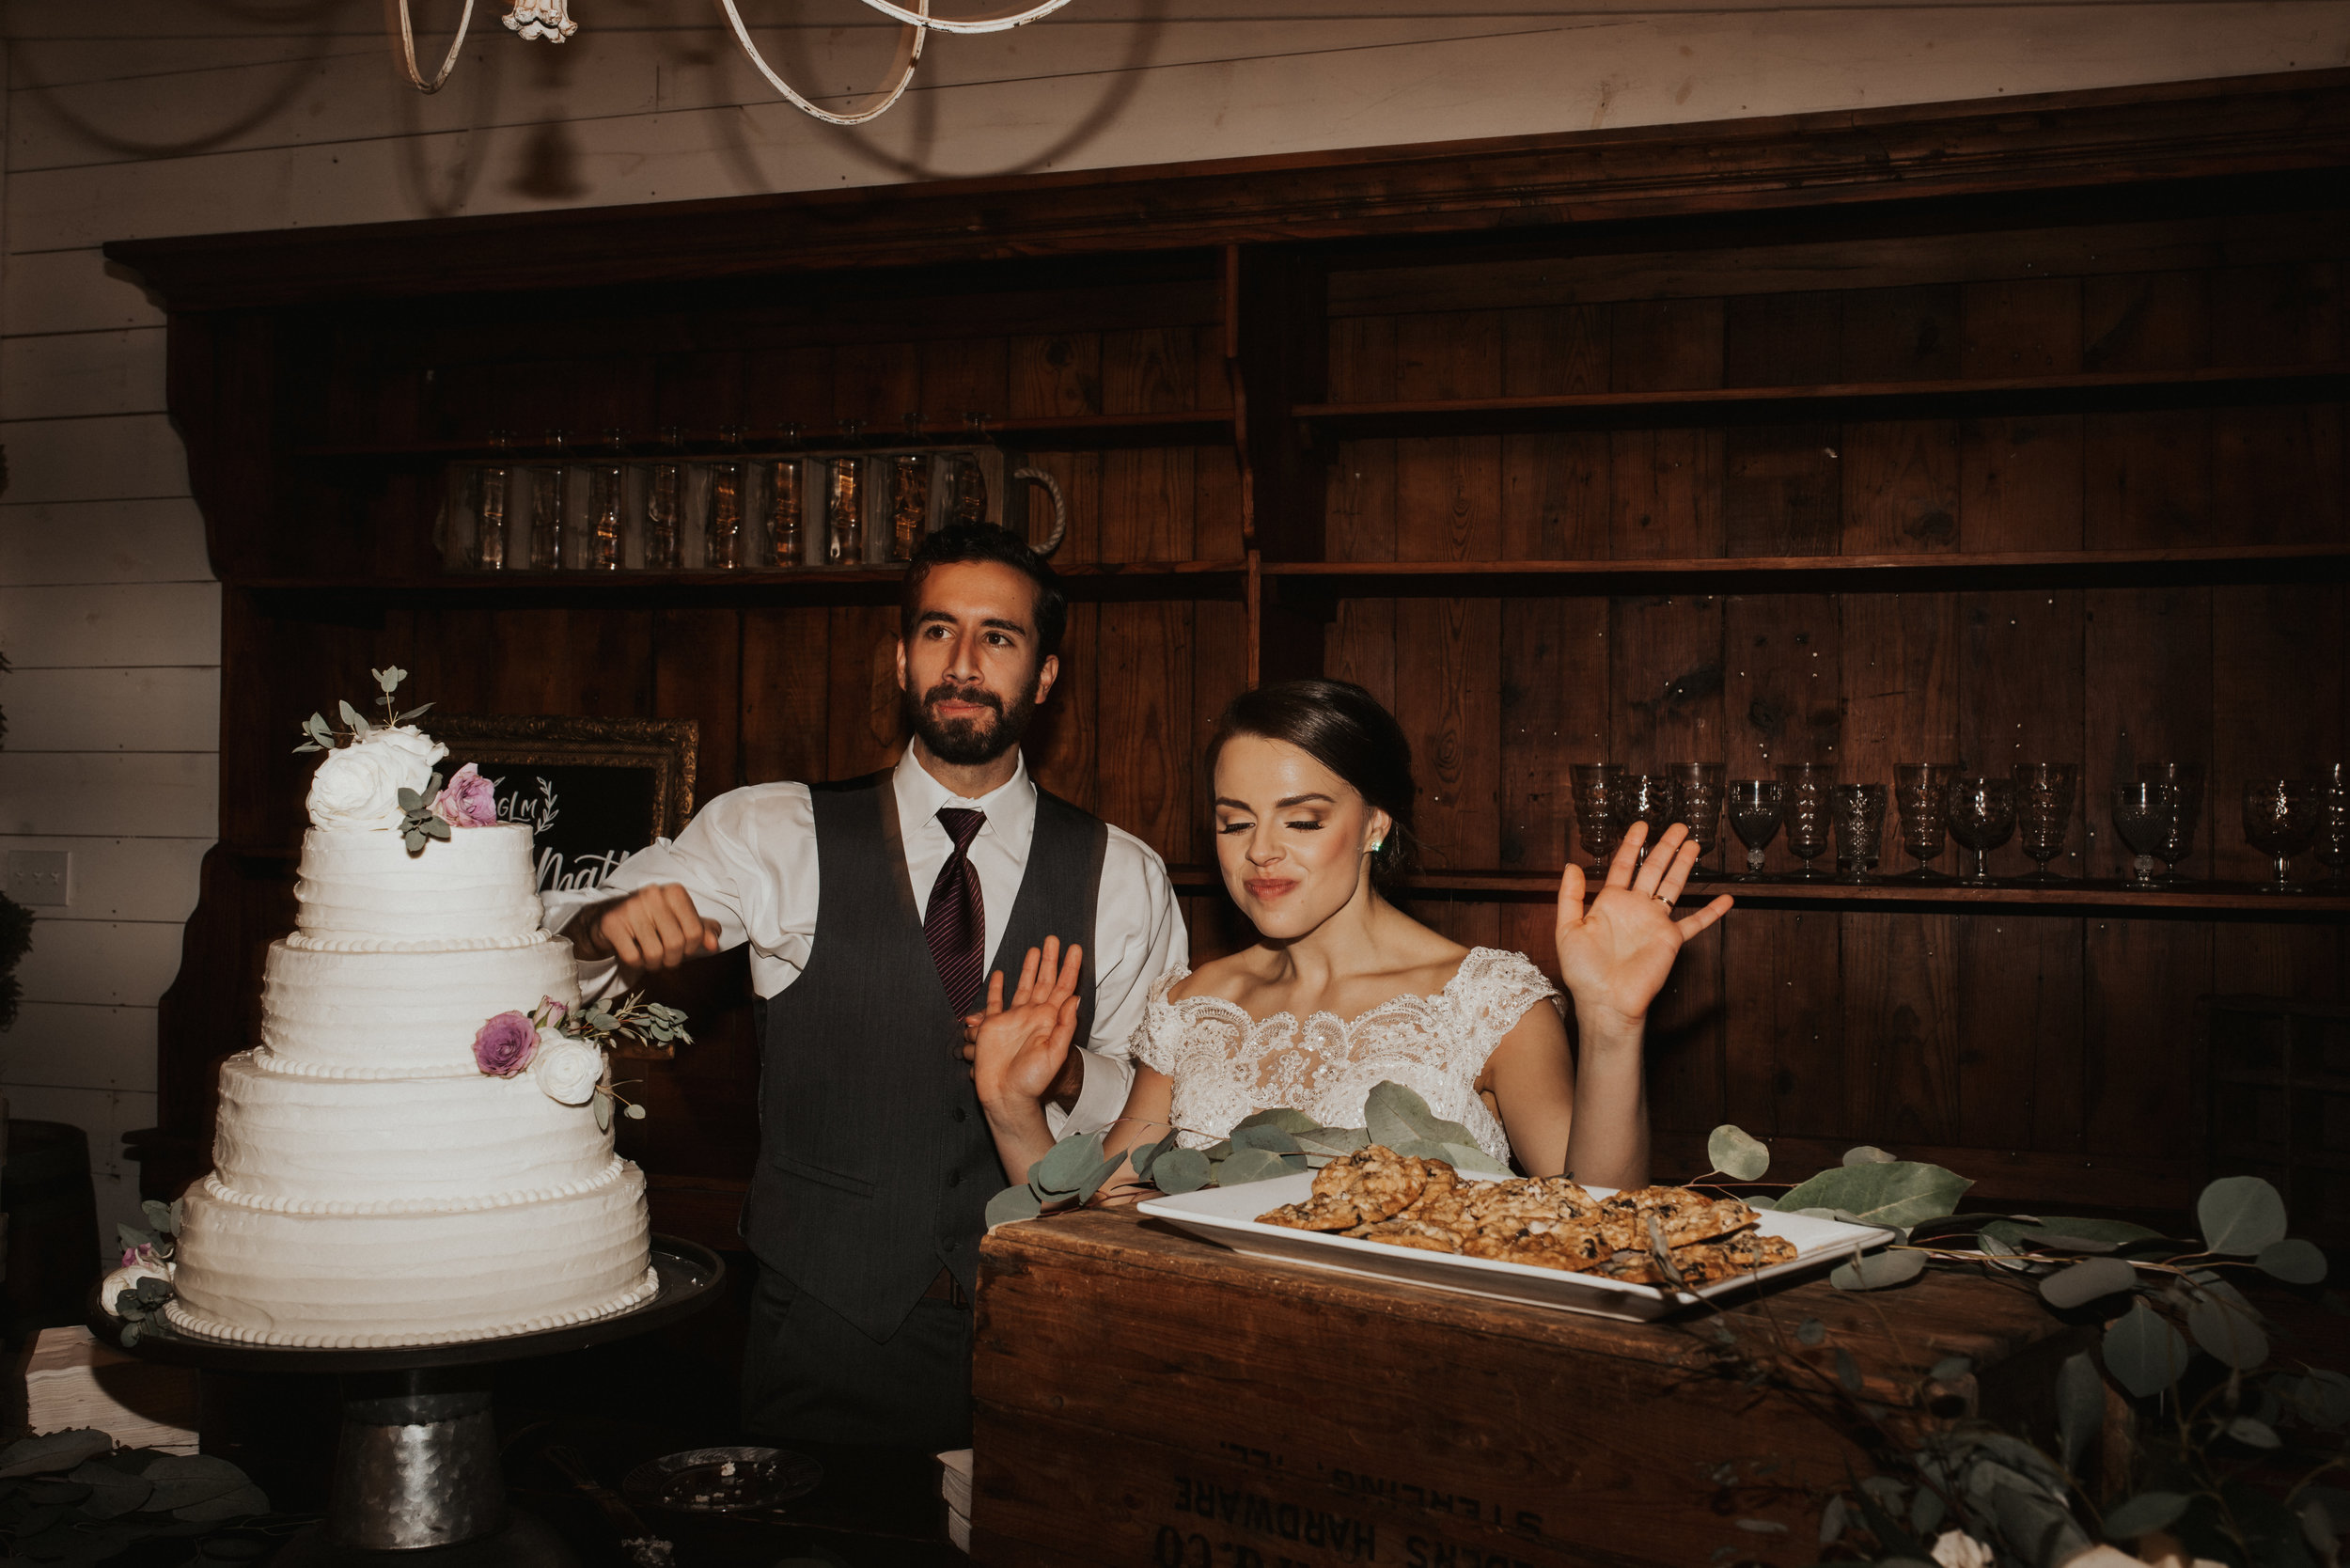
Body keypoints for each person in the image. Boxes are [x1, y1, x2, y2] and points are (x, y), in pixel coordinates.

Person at [541, 523, 1185, 1452]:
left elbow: (1159, 1121)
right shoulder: (771, 830)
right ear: (899, 658)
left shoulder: (1121, 874)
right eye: (937, 632)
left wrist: (1070, 1076)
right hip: (825, 1335)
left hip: (1051, 1329)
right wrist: (609, 926)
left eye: (997, 638)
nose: (962, 663)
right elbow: (578, 928)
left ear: (1044, 676)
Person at [969, 679, 1732, 1191]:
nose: (1260, 849)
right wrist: (1011, 1109)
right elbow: (1102, 1220)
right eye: (1234, 822)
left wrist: (1611, 1025)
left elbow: (1598, 1216)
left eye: (1302, 819)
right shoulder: (1196, 1004)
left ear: (1374, 823)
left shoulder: (1486, 1002)